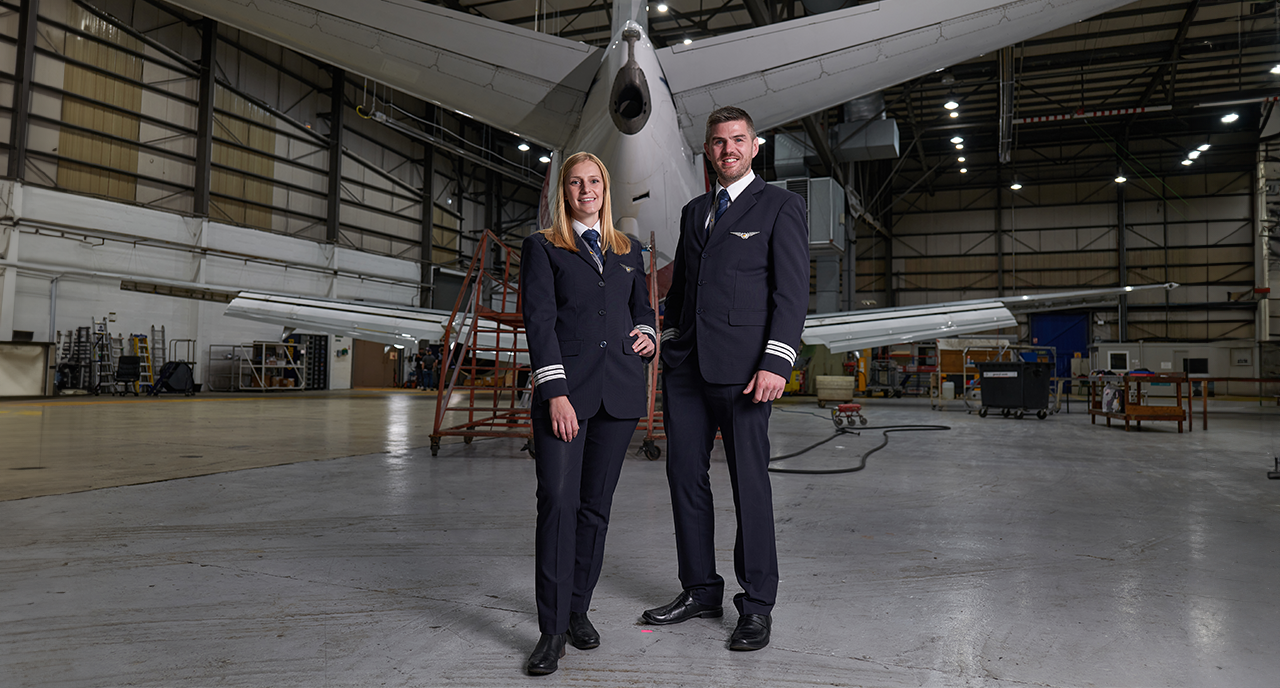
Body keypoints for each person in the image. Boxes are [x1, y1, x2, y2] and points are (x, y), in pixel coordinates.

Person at [641, 106, 809, 651]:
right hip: (688, 371)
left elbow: (791, 294)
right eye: (717, 142)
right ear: (707, 151)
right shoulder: (695, 213)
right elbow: (682, 292)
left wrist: (776, 361)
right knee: (684, 480)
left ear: (754, 147)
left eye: (738, 140)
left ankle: (756, 605)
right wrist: (668, 347)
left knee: (749, 487)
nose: (727, 149)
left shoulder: (782, 206)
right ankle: (700, 589)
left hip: (745, 373)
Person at [519, 151, 656, 675]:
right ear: (565, 192)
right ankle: (551, 630)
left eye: (593, 180)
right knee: (557, 501)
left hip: (618, 395)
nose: (586, 190)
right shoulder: (544, 247)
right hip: (566, 395)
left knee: (595, 509)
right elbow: (540, 321)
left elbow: (641, 311)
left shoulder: (628, 250)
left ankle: (578, 608)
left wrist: (644, 335)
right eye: (575, 182)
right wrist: (555, 393)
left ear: (605, 187)